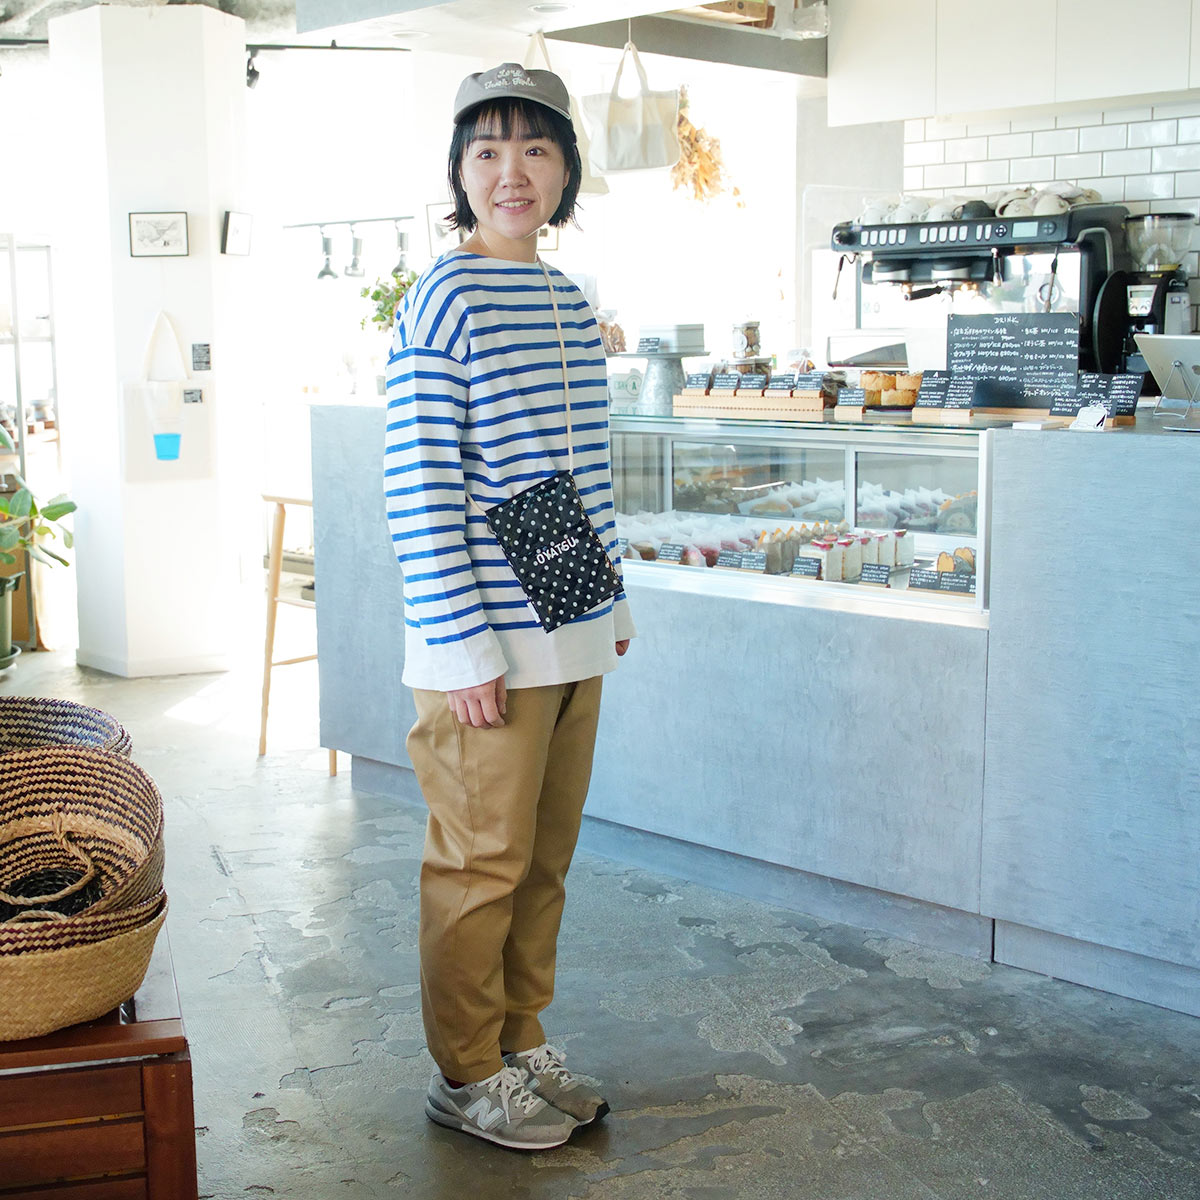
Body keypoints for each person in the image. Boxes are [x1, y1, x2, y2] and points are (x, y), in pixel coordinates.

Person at [383, 62, 636, 1151]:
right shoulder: (444, 298)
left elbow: (581, 470)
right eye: (486, 151)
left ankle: (521, 1040)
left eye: (535, 148)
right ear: (459, 173)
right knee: (479, 865)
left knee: (543, 859)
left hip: (570, 624)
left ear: (566, 169)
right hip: (485, 641)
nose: (511, 172)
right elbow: (421, 484)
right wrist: (461, 647)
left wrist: (608, 600)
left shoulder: (568, 298)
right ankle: (466, 1071)